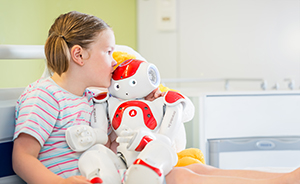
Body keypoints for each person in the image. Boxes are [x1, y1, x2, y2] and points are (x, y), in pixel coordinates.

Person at [12, 11, 300, 184]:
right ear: (79, 55)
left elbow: (111, 142)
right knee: (178, 177)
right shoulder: (45, 95)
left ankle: (283, 178)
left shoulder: (92, 97)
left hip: (117, 171)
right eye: (109, 51)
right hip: (96, 178)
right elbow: (22, 157)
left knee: (193, 168)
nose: (115, 61)